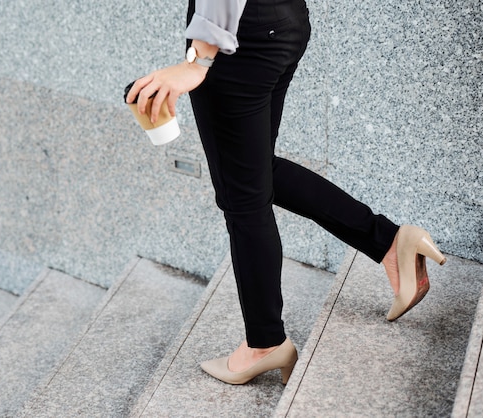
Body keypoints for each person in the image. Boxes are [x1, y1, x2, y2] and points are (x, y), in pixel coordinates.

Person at [126, 0, 447, 385]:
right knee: (254, 173)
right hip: (283, 21)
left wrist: (199, 58)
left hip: (239, 38)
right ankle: (391, 241)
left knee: (243, 197)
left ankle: (265, 343)